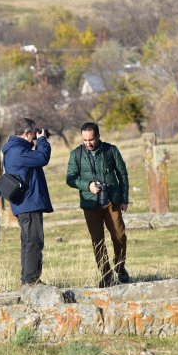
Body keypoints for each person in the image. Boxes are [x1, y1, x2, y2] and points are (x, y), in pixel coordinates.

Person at [66, 122, 130, 287]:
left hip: (111, 200)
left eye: (91, 140)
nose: (88, 143)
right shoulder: (76, 155)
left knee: (120, 235)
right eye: (85, 140)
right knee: (98, 241)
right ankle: (106, 275)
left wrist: (124, 199)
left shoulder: (111, 150)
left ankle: (120, 267)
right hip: (90, 203)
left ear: (98, 136)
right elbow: (70, 178)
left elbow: (122, 174)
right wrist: (88, 186)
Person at [2, 117, 53, 287]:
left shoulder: (15, 149)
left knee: (29, 241)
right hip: (29, 203)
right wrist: (43, 140)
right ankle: (31, 280)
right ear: (26, 133)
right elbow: (42, 157)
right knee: (34, 241)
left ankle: (28, 279)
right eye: (33, 133)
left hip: (26, 203)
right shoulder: (18, 151)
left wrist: (37, 141)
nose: (35, 136)